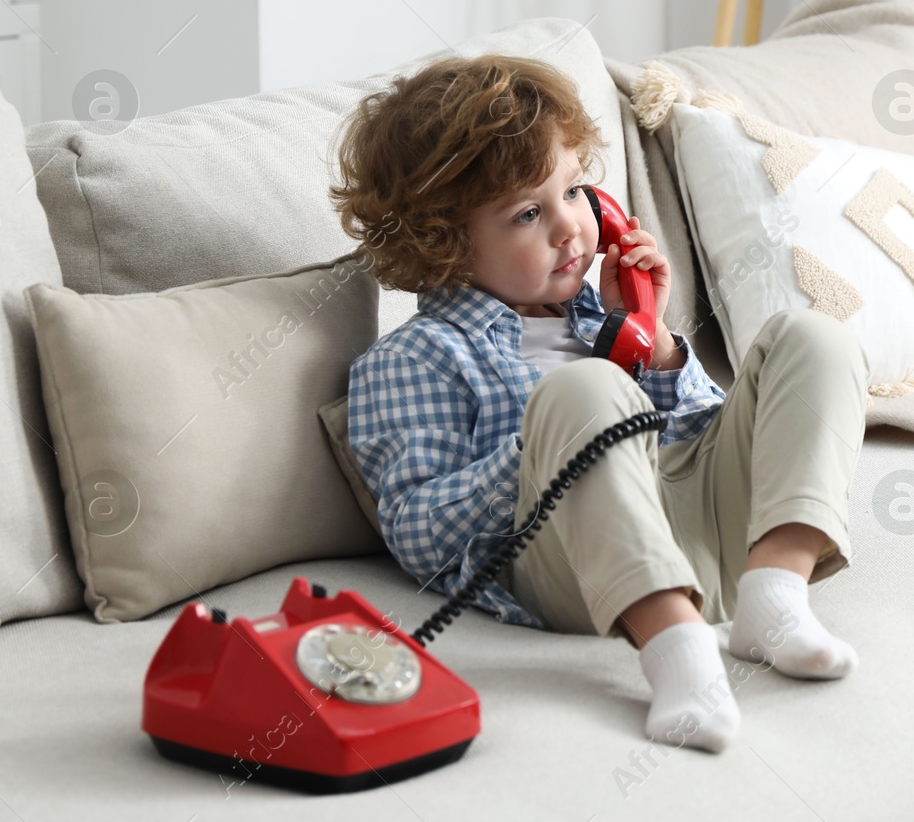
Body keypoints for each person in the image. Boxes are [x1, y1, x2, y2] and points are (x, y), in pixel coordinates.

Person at [332, 53, 869, 752]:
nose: (570, 227)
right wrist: (545, 449)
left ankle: (775, 593)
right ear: (445, 248)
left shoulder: (603, 314)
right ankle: (678, 653)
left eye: (575, 190)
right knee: (583, 389)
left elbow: (707, 430)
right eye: (528, 213)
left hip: (703, 535)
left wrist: (655, 342)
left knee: (814, 335)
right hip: (579, 566)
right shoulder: (411, 361)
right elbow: (420, 535)